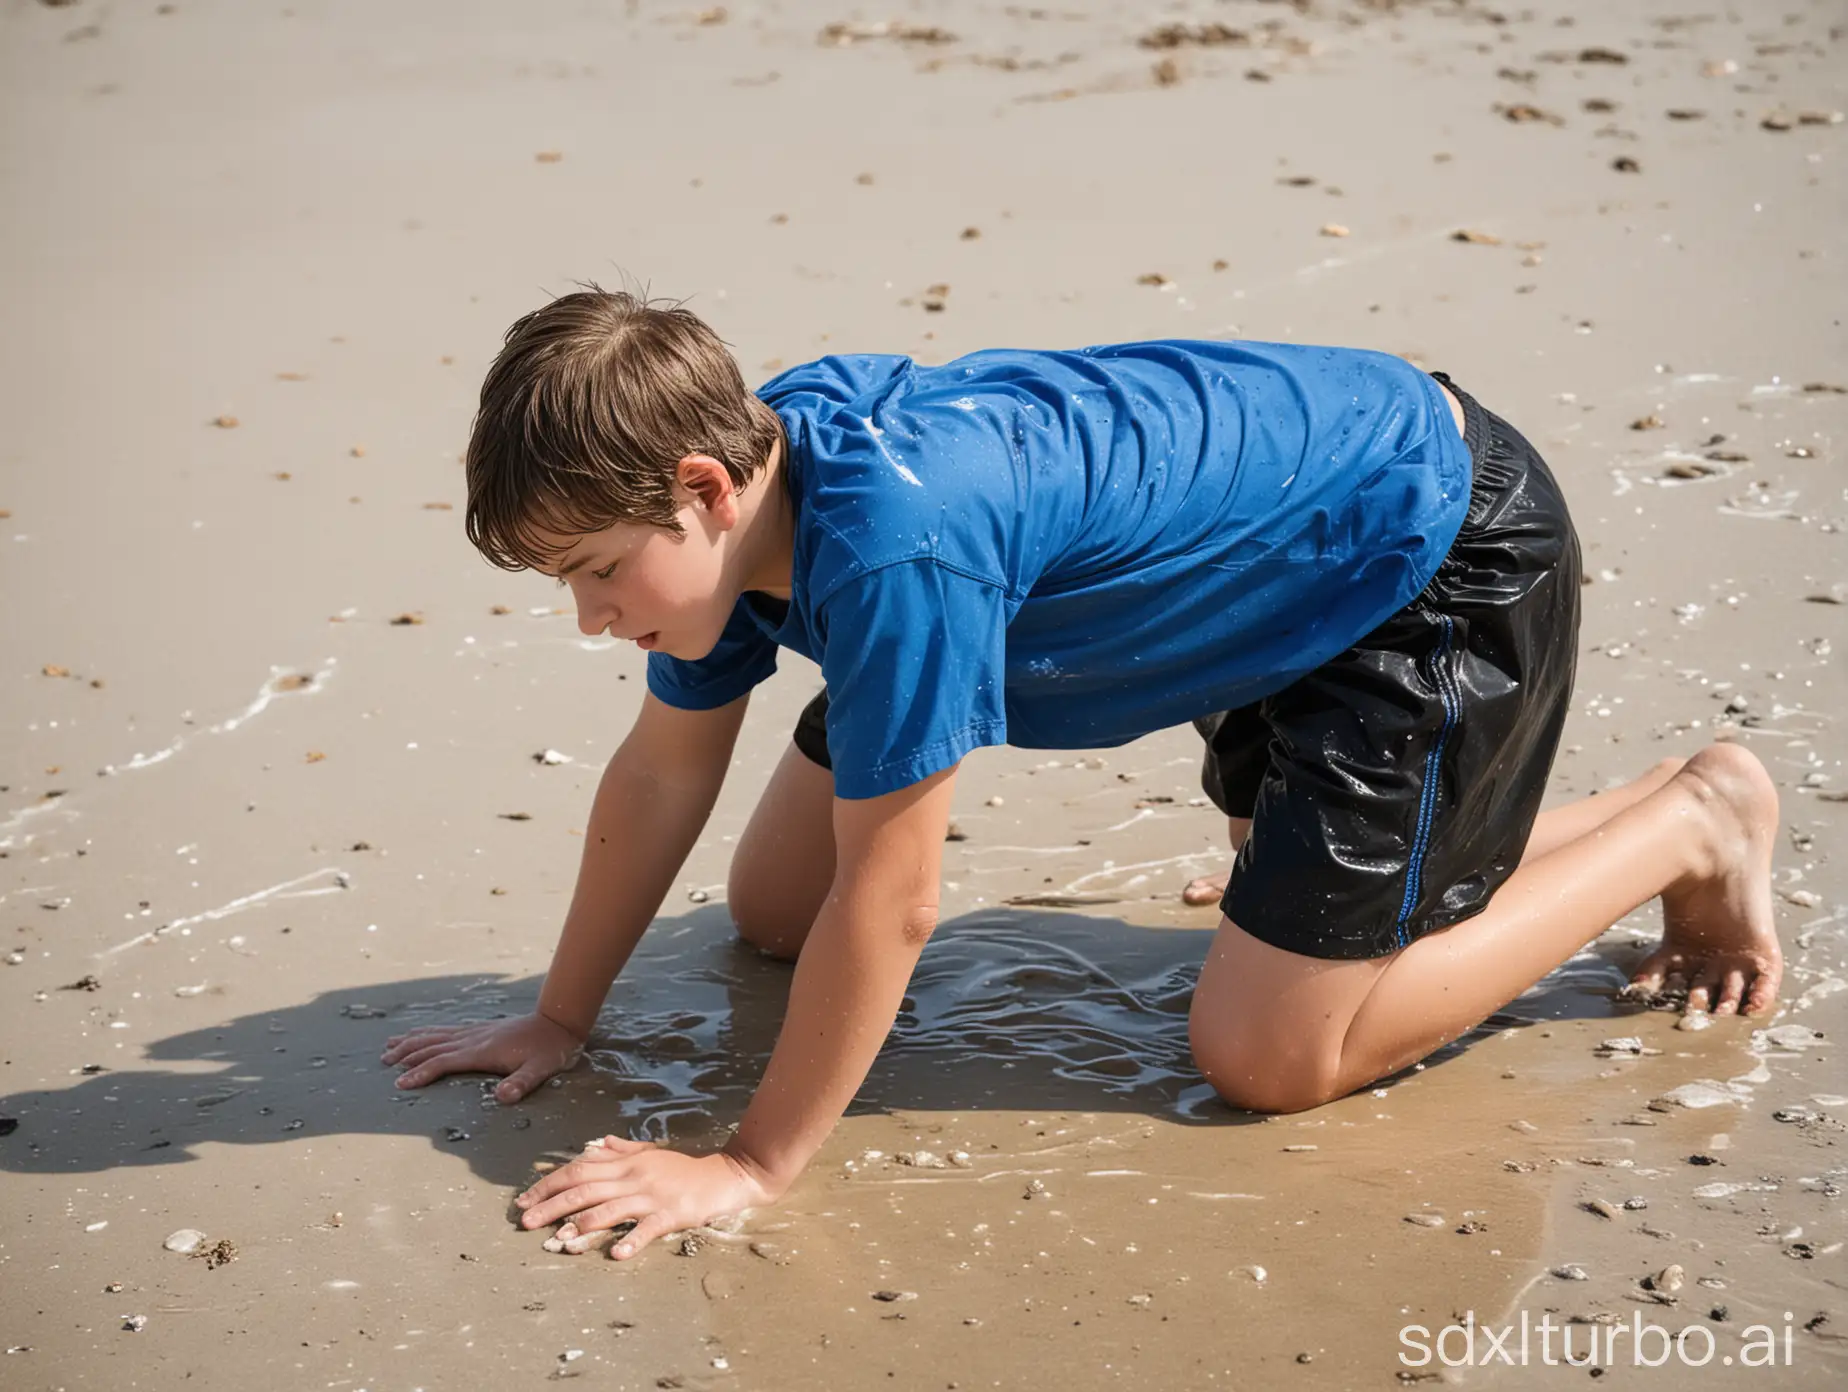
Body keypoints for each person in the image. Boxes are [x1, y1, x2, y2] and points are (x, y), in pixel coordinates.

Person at [381, 287, 1783, 1260]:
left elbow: (896, 900)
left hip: (1409, 561)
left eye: (596, 573)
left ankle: (1688, 817)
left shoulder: (896, 549)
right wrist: (559, 1016)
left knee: (1270, 1053)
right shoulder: (757, 496)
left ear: (704, 485)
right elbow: (658, 775)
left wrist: (748, 1164)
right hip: (1243, 565)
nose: (589, 617)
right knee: (769, 910)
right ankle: (1371, 872)